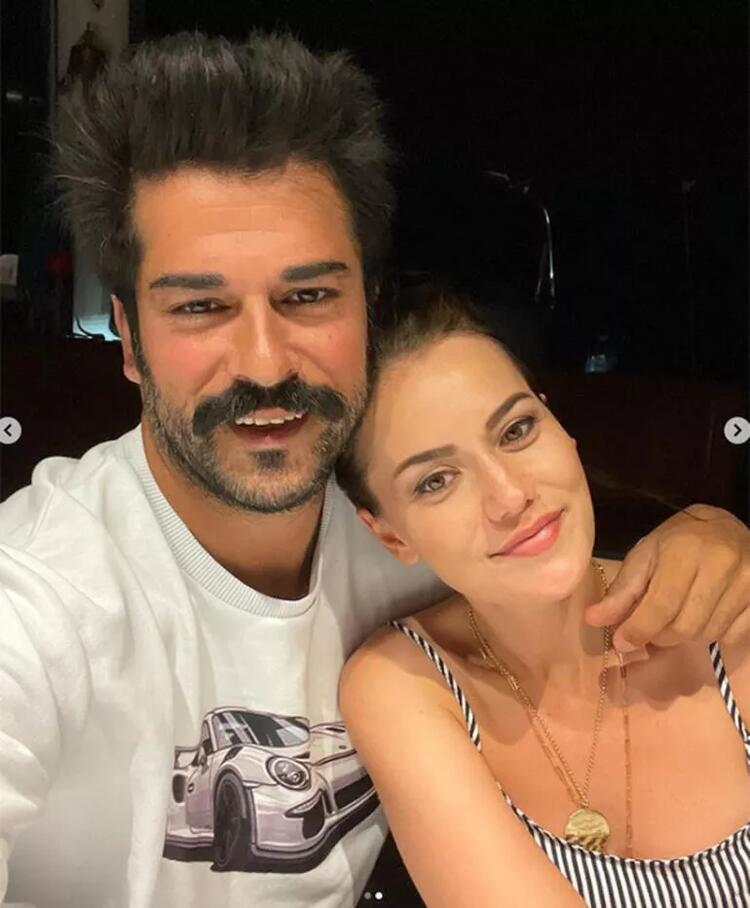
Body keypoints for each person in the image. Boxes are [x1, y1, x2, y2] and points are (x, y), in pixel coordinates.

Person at [0, 32, 747, 908]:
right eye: (200, 306)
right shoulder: (41, 595)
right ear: (128, 339)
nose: (265, 362)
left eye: (309, 295)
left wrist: (714, 533)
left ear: (367, 303)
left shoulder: (409, 520)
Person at [337, 287, 750, 907]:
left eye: (517, 430)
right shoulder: (404, 684)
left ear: (561, 429)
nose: (510, 497)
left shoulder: (722, 608)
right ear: (390, 534)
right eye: (437, 480)